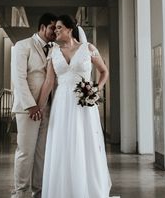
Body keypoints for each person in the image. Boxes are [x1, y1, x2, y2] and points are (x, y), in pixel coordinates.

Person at [36, 14, 112, 197]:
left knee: (85, 142)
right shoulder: (53, 52)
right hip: (62, 104)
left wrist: (96, 89)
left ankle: (88, 189)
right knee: (62, 145)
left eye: (59, 28)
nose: (56, 31)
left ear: (70, 29)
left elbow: (104, 71)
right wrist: (38, 106)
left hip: (84, 104)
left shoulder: (88, 49)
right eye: (55, 28)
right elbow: (48, 82)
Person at [11, 12, 58, 198]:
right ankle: (20, 193)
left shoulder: (55, 48)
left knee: (42, 154)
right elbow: (19, 79)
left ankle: (39, 192)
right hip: (28, 110)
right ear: (42, 27)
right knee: (25, 152)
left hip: (49, 108)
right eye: (53, 28)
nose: (56, 31)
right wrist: (31, 106)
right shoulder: (23, 46)